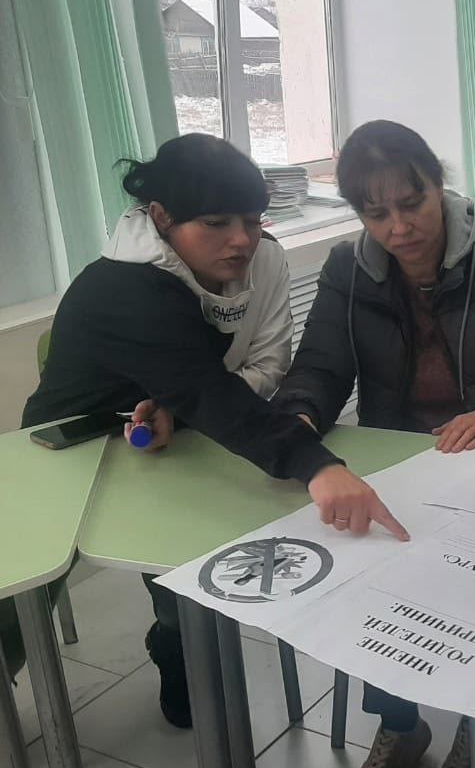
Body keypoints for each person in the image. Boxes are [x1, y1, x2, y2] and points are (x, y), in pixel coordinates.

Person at [21, 133, 405, 729]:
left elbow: (253, 369)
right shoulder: (126, 286)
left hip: (167, 443)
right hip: (67, 451)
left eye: (252, 221)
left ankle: (177, 659)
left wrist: (180, 410)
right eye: (216, 223)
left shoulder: (263, 259)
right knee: (23, 595)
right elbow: (208, 389)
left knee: (182, 581)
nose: (241, 240)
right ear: (161, 217)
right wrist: (317, 464)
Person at [274, 119, 475, 768]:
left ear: (440, 186)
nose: (399, 228)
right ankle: (400, 725)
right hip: (403, 465)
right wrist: (299, 421)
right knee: (375, 577)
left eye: (413, 204)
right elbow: (319, 367)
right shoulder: (348, 270)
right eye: (376, 213)